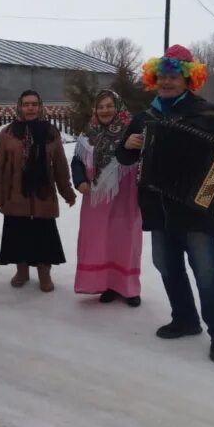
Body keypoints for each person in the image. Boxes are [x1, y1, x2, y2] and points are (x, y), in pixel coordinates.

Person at [115, 45, 214, 364]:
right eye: (162, 77)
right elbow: (124, 156)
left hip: (195, 209)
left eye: (174, 76)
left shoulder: (206, 115)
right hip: (158, 208)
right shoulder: (145, 118)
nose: (167, 82)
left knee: (207, 272)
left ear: (188, 79)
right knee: (166, 265)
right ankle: (185, 319)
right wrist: (127, 145)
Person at [0, 90, 76, 292]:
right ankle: (22, 272)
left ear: (40, 107)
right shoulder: (8, 133)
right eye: (26, 104)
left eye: (34, 104)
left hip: (43, 195)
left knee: (44, 236)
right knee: (18, 235)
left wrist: (67, 191)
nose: (30, 108)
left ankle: (44, 275)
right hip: (16, 195)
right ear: (20, 106)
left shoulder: (51, 133)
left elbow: (61, 166)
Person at [72, 90, 142, 306]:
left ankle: (129, 288)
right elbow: (77, 160)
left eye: (109, 105)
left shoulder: (132, 131)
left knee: (126, 238)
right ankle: (108, 285)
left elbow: (145, 156)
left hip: (126, 194)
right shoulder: (88, 131)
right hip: (96, 196)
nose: (105, 110)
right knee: (99, 238)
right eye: (100, 106)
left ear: (118, 107)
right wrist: (80, 180)